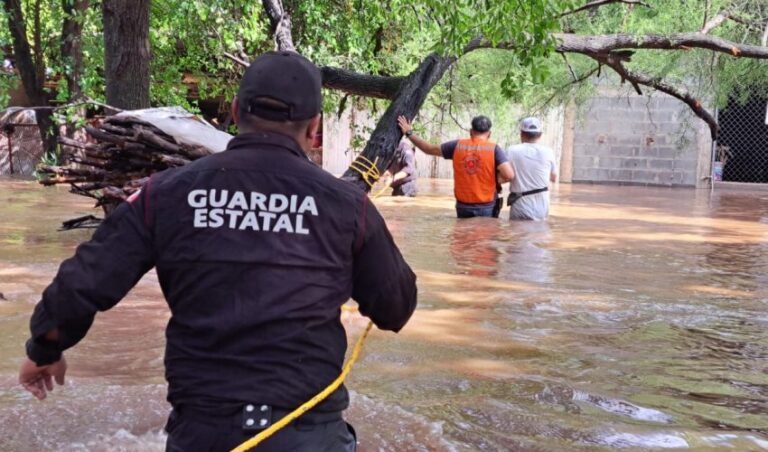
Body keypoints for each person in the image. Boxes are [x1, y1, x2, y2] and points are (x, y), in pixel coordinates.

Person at [18, 51, 418, 452]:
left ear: (233, 111)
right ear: (315, 130)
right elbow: (396, 308)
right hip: (308, 434)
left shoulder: (165, 194)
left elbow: (82, 281)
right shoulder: (348, 207)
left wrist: (45, 347)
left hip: (202, 434)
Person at [397, 115, 514, 218]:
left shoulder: (457, 146)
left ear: (471, 131)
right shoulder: (494, 149)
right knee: (483, 241)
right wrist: (493, 180)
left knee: (462, 239)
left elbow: (428, 149)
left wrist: (409, 133)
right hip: (486, 206)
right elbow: (509, 175)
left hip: (463, 206)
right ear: (489, 133)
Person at [504, 117, 557, 221]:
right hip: (542, 206)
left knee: (517, 235)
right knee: (540, 235)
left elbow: (505, 176)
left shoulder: (512, 151)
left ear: (521, 133)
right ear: (540, 135)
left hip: (520, 205)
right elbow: (554, 178)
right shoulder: (548, 152)